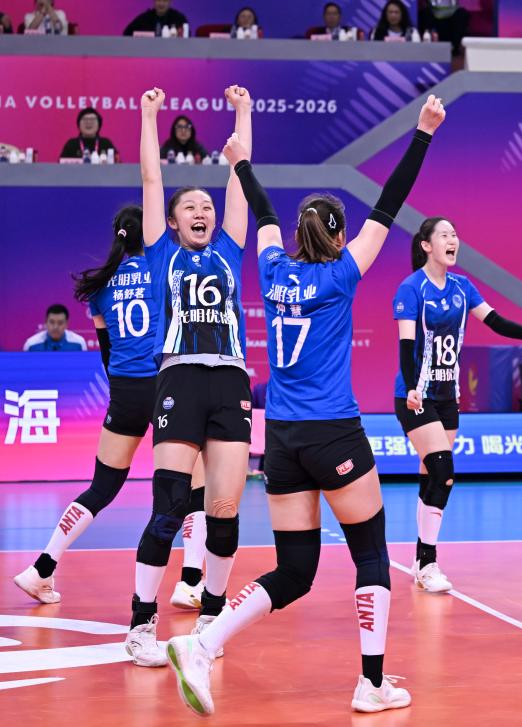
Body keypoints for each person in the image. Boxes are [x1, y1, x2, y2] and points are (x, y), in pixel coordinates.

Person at [166, 95, 446, 717]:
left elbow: (264, 212)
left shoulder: (271, 269)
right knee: (371, 553)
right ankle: (371, 684)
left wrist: (241, 164)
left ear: (298, 234)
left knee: (294, 571)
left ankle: (203, 642)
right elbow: (390, 202)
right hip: (334, 432)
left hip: (283, 439)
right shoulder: (343, 272)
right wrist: (423, 134)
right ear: (339, 236)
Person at [13, 206, 207, 615]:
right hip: (165, 384)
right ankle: (191, 581)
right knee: (196, 482)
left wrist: (125, 390)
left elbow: (106, 352)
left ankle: (41, 568)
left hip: (124, 390)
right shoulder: (162, 269)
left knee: (101, 487)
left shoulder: (101, 285)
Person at [125, 84, 251, 668]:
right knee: (170, 506)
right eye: (190, 208)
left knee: (223, 509)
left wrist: (243, 113)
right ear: (173, 222)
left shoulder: (230, 249)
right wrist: (148, 115)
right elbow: (152, 179)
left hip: (230, 381)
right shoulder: (161, 253)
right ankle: (140, 625)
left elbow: (239, 179)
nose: (201, 212)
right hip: (179, 379)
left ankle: (210, 623)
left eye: (207, 207)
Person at [394, 218, 522, 593]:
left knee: (431, 474)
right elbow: (406, 345)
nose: (453, 240)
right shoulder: (411, 288)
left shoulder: (462, 287)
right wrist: (411, 387)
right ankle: (428, 561)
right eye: (445, 235)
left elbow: (496, 322)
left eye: (455, 235)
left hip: (447, 395)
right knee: (443, 471)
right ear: (426, 245)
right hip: (415, 395)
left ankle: (420, 559)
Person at [22, 303, 87, 351]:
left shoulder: (79, 343)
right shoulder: (31, 344)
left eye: (60, 323)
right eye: (52, 322)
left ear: (66, 324)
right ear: (46, 322)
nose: (55, 327)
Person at [123, 0, 188, 35]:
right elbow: (126, 33)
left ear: (170, 2)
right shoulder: (144, 18)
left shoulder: (179, 18)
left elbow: (187, 37)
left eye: (165, 1)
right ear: (154, 1)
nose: (161, 4)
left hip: (172, 53)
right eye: (158, 0)